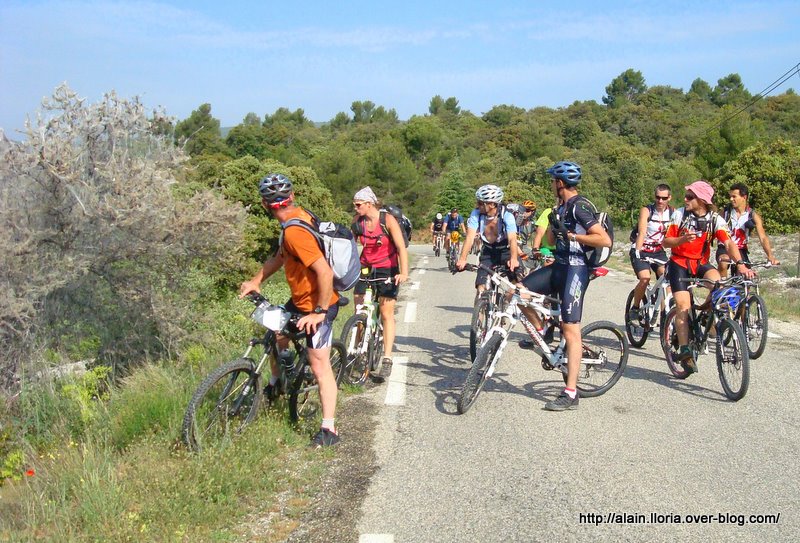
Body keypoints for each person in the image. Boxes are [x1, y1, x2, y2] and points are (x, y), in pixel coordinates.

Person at [239, 173, 342, 448]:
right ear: (292, 197)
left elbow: (325, 272)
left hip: (319, 305)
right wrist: (256, 280)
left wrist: (319, 312)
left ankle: (328, 429)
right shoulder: (296, 219)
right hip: (300, 301)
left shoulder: (295, 231)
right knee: (275, 330)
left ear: (264, 204)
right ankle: (277, 382)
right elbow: (281, 257)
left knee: (320, 364)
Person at [518, 161, 612, 411]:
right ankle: (542, 327)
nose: (551, 184)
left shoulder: (580, 206)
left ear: (560, 183)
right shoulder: (558, 208)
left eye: (552, 181)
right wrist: (554, 226)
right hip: (558, 265)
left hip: (576, 269)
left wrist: (573, 236)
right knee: (517, 292)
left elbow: (604, 239)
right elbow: (550, 239)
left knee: (571, 330)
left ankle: (571, 393)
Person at [662, 180, 755, 371]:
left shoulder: (715, 219)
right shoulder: (679, 214)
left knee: (720, 286)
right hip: (679, 264)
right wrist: (682, 239)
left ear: (702, 200)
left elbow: (729, 244)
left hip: (700, 263)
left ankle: (706, 313)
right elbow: (666, 242)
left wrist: (741, 264)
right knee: (682, 305)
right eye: (686, 196)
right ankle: (685, 350)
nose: (685, 199)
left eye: (690, 196)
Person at [351, 187, 410, 377]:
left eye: (358, 204)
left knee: (386, 313)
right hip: (365, 267)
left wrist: (404, 273)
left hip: (388, 268)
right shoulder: (357, 222)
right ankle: (357, 351)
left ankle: (387, 357)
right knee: (359, 311)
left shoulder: (387, 220)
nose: (355, 208)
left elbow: (401, 248)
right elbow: (350, 247)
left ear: (369, 204)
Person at [456, 185, 519, 291]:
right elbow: (470, 238)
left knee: (517, 283)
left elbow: (512, 239)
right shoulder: (476, 214)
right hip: (488, 252)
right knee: (481, 286)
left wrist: (513, 259)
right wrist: (462, 259)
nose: (477, 205)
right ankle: (481, 303)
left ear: (492, 204)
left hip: (505, 251)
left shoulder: (507, 215)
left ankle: (514, 303)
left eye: (481, 203)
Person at [628, 184, 673, 320]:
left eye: (664, 198)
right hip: (641, 249)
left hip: (658, 250)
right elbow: (642, 232)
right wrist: (637, 251)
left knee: (667, 281)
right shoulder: (647, 210)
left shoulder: (673, 212)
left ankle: (666, 315)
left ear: (669, 198)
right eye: (657, 197)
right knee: (645, 278)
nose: (660, 201)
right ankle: (635, 307)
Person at [716, 182, 780, 277]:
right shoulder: (725, 212)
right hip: (725, 248)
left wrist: (770, 256)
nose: (731, 199)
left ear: (744, 197)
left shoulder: (752, 215)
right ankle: (721, 286)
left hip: (741, 249)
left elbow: (762, 238)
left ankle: (743, 291)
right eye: (730, 196)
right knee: (724, 262)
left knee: (747, 277)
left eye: (734, 196)